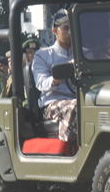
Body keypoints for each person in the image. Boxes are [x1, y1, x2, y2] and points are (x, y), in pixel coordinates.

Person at [33, 9, 77, 143]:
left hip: (78, 99)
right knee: (77, 107)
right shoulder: (43, 55)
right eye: (65, 28)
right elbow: (41, 83)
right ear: (54, 31)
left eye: (72, 28)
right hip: (52, 103)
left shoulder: (83, 54)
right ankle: (67, 146)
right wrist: (56, 78)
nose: (70, 32)